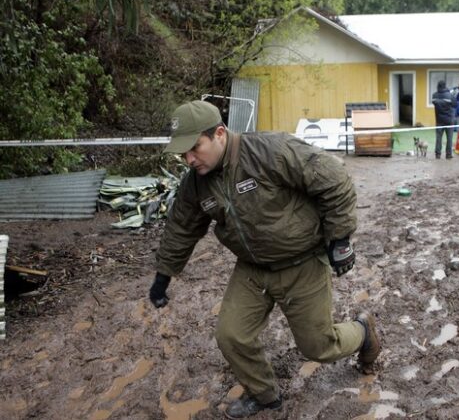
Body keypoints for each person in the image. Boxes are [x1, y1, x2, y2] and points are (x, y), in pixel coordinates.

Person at [148, 100, 381, 419]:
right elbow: (181, 227)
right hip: (253, 270)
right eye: (182, 153)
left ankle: (363, 331)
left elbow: (334, 180)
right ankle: (265, 395)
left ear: (218, 133)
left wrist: (339, 239)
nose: (188, 159)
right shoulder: (195, 183)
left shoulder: (270, 151)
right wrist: (164, 274)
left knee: (318, 348)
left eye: (194, 148)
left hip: (303, 263)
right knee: (231, 335)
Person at [431, 80, 456, 159]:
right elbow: (455, 104)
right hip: (449, 120)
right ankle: (448, 155)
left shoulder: (434, 95)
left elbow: (435, 103)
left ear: (438, 86)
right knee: (449, 138)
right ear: (445, 86)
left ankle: (437, 154)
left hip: (439, 120)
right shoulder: (450, 95)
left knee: (438, 138)